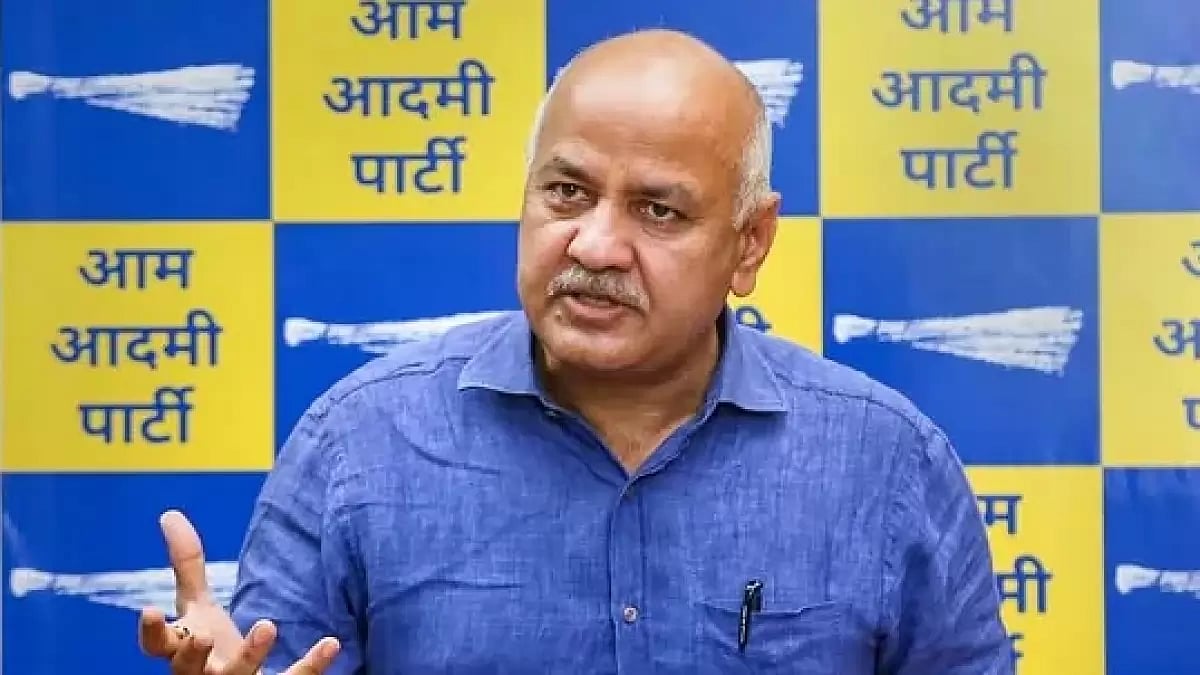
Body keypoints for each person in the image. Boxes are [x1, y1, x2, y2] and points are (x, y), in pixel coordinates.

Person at [137, 28, 1013, 675]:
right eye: (566, 192)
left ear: (750, 243)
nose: (594, 245)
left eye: (658, 210)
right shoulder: (359, 443)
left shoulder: (885, 464)